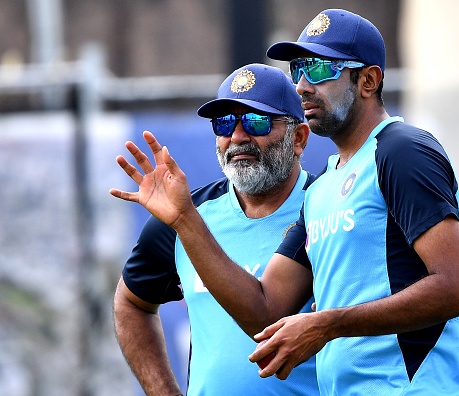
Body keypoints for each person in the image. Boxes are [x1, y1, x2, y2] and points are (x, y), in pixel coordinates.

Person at [110, 8, 459, 395]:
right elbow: (265, 313)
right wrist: (186, 220)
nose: (303, 85)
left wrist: (327, 324)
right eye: (299, 69)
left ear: (368, 80)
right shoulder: (323, 189)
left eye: (320, 69)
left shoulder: (402, 150)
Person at [112, 63, 320, 396]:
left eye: (256, 121)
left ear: (298, 138)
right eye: (224, 123)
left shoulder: (327, 207)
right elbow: (131, 303)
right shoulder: (186, 213)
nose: (237, 137)